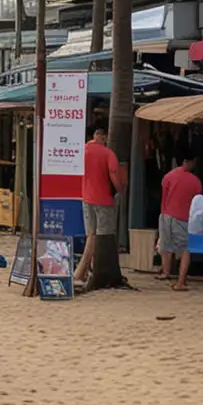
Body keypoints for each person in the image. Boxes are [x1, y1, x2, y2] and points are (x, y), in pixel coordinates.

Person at [74, 117, 126, 289]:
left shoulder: (83, 150)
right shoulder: (107, 153)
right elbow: (113, 173)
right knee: (102, 237)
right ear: (102, 136)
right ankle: (84, 272)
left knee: (91, 234)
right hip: (103, 199)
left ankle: (88, 270)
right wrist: (119, 189)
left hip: (86, 198)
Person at [159, 151, 201, 291]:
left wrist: (164, 211)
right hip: (182, 217)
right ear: (187, 162)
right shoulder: (195, 181)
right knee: (185, 249)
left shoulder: (168, 176)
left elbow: (163, 196)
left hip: (166, 214)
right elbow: (196, 204)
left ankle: (166, 272)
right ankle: (181, 282)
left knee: (166, 244)